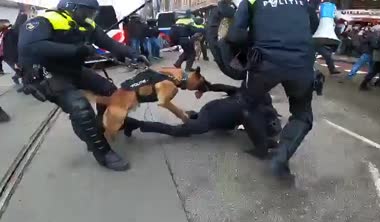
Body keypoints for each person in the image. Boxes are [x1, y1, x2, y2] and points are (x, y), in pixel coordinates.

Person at [18, 0, 144, 171]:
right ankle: (102, 152)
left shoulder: (87, 24)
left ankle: (97, 127)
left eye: (93, 14)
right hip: (47, 74)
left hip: (74, 70)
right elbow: (31, 46)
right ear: (72, 8)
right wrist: (77, 50)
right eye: (87, 12)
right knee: (80, 108)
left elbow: (110, 43)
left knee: (111, 93)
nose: (90, 17)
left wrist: (133, 54)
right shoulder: (42, 21)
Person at [227, 0, 319, 179]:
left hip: (263, 64)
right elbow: (313, 27)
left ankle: (261, 145)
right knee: (303, 116)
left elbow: (234, 36)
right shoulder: (302, 2)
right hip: (301, 65)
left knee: (245, 103)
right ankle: (280, 157)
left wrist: (256, 39)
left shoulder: (251, 1)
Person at [123, 83, 282, 143]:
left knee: (219, 123)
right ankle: (136, 124)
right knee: (175, 131)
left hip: (210, 107)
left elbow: (223, 87)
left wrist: (207, 87)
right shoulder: (253, 111)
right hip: (210, 120)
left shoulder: (246, 92)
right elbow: (258, 135)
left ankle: (192, 115)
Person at [313, 0, 340, 75]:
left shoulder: (319, 11)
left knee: (325, 54)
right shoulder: (331, 20)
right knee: (326, 54)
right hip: (318, 38)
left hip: (317, 39)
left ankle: (332, 69)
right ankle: (332, 69)